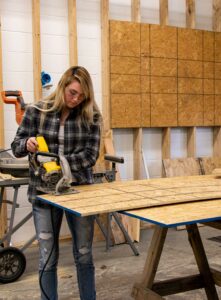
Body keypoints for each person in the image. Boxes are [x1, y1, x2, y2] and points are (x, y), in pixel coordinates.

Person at [11, 66, 102, 300]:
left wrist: (56, 163)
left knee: (83, 254)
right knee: (47, 258)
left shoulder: (92, 116)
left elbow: (91, 156)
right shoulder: (36, 111)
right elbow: (16, 146)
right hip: (44, 192)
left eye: (82, 96)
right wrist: (28, 143)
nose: (76, 99)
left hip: (79, 192)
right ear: (62, 86)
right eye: (72, 93)